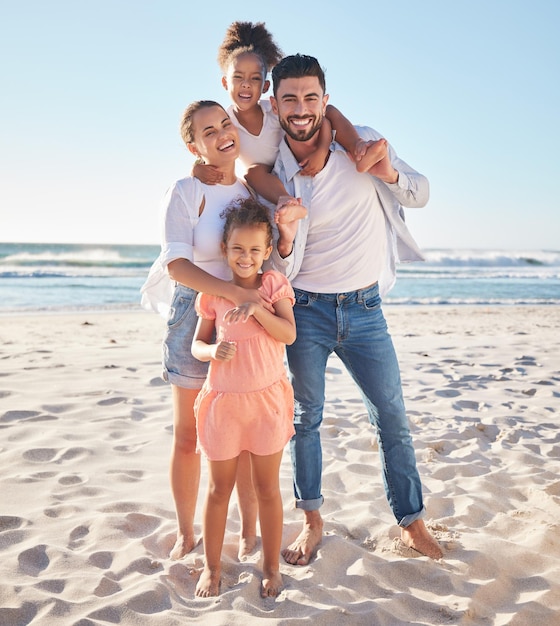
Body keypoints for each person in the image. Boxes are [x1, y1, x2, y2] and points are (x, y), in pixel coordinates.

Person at [267, 53, 444, 565]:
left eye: (310, 97)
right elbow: (282, 262)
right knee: (307, 420)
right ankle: (312, 520)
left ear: (326, 98)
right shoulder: (276, 171)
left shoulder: (360, 140)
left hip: (366, 310)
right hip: (307, 313)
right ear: (275, 106)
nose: (301, 108)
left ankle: (412, 521)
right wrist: (284, 231)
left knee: (392, 418)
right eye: (290, 99)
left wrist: (386, 169)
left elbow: (422, 191)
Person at [141, 100, 269, 562]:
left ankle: (249, 530)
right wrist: (232, 295)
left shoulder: (252, 192)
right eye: (207, 131)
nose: (220, 134)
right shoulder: (186, 189)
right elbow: (177, 266)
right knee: (189, 434)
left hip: (244, 319)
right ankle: (184, 531)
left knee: (245, 436)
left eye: (224, 124)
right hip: (196, 313)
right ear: (193, 145)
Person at [192, 197, 296, 597]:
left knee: (267, 488)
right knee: (219, 489)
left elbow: (288, 334)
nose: (246, 257)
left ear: (267, 251)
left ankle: (270, 567)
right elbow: (197, 346)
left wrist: (255, 309)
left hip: (266, 402)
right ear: (225, 249)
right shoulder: (213, 295)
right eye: (238, 249)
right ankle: (212, 568)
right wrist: (211, 352)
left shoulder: (273, 286)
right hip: (224, 403)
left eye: (255, 250)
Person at [194, 21, 380, 224]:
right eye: (238, 77)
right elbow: (208, 146)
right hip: (268, 178)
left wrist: (321, 150)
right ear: (225, 82)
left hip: (294, 158)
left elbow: (324, 120)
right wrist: (197, 169)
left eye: (255, 79)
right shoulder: (226, 122)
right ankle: (288, 203)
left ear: (265, 86)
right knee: (251, 172)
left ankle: (359, 148)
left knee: (330, 111)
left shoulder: (273, 109)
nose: (246, 84)